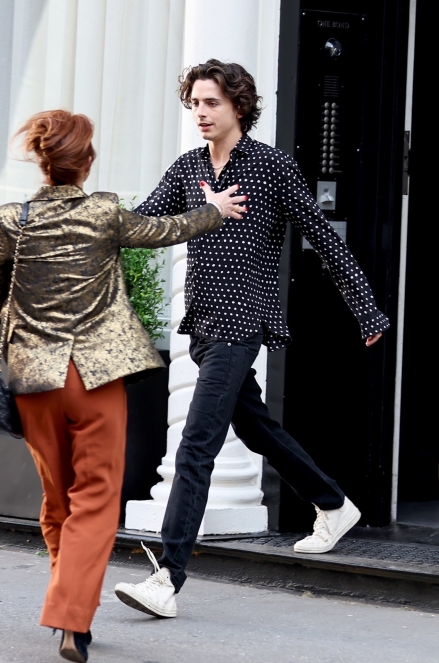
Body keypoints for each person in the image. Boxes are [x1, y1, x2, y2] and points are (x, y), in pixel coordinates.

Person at [0, 110, 243, 663]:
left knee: (60, 499)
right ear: (86, 164)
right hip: (97, 378)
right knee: (95, 500)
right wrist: (217, 209)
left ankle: (73, 613)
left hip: (34, 382)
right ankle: (71, 618)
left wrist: (6, 250)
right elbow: (166, 230)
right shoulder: (105, 212)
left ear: (43, 164)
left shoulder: (12, 219)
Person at [113, 60, 390, 619]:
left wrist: (366, 309)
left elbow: (324, 241)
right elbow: (140, 225)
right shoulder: (189, 168)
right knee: (255, 427)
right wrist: (90, 222)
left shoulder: (269, 167)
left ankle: (167, 576)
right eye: (194, 103)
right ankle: (333, 505)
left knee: (195, 446)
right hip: (206, 327)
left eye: (211, 102)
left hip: (243, 323)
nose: (200, 113)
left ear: (239, 105)